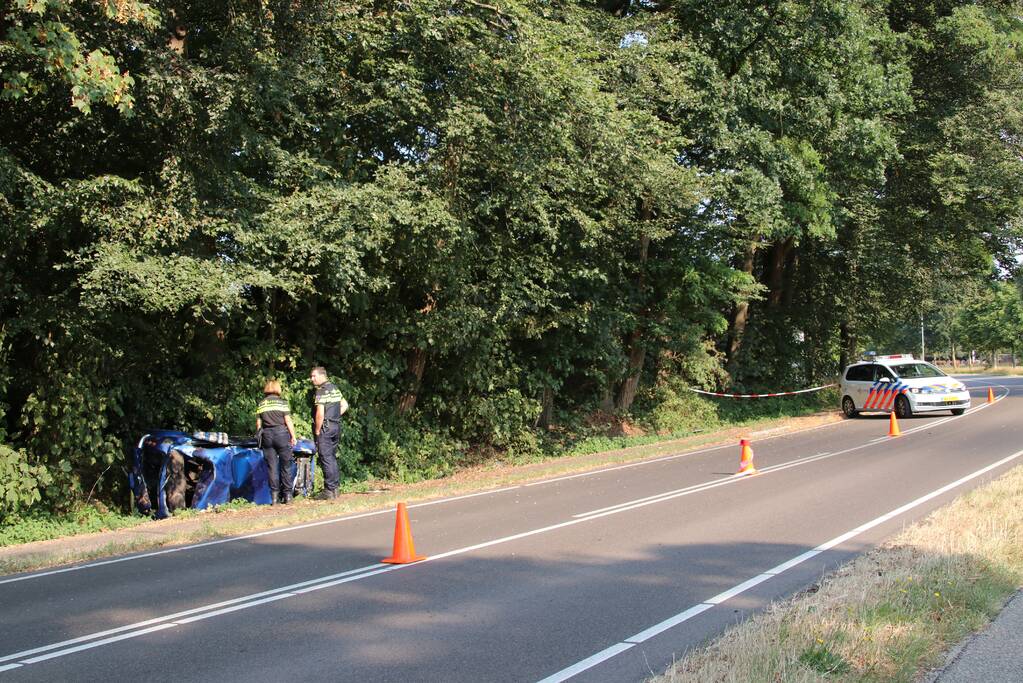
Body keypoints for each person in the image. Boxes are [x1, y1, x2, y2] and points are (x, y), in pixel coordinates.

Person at [256, 380, 298, 504]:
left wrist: (259, 436)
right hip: (281, 434)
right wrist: (293, 436)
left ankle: (274, 498)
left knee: (272, 468)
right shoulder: (282, 403)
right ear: (278, 389)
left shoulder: (261, 404)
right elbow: (288, 421)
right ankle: (288, 496)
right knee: (286, 466)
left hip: (267, 436)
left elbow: (258, 424)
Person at [309, 366, 348, 499]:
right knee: (331, 457)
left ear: (321, 376)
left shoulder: (321, 391)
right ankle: (335, 489)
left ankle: (329, 491)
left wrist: (318, 430)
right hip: (335, 426)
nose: (312, 379)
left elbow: (319, 413)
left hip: (325, 428)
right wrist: (334, 416)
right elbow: (345, 405)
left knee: (325, 458)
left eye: (314, 376)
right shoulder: (334, 388)